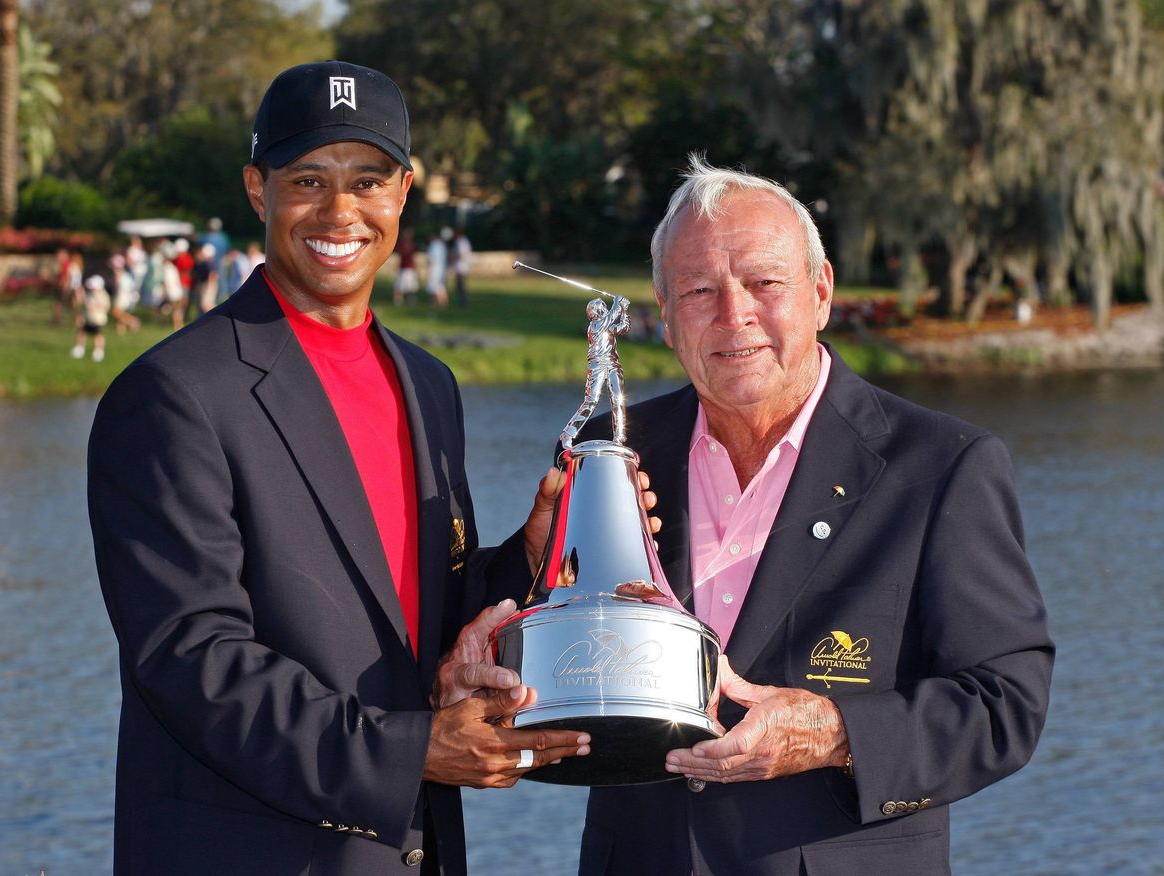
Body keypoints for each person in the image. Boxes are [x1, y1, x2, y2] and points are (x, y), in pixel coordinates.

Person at [87, 61, 588, 876]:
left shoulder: (429, 382)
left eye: (368, 180)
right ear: (258, 188)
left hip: (410, 853)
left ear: (404, 192)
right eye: (308, 179)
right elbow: (191, 658)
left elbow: (419, 625)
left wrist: (534, 555)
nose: (340, 211)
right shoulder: (172, 395)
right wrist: (412, 751)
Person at [570, 155, 1054, 875]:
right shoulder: (609, 452)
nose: (734, 314)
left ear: (820, 292)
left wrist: (836, 732)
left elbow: (1004, 702)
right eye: (699, 290)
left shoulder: (943, 465)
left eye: (765, 283)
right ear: (665, 318)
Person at [560, 294, 631, 449]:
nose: (605, 309)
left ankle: (619, 437)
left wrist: (624, 310)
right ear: (597, 311)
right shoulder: (596, 325)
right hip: (597, 366)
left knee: (618, 399)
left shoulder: (607, 326)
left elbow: (623, 328)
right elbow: (612, 317)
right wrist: (618, 302)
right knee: (591, 401)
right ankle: (568, 433)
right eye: (603, 307)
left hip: (613, 364)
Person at [71, 274, 110, 362]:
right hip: (88, 319)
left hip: (98, 320)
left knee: (98, 335)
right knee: (82, 333)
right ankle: (79, 348)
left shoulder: (103, 295)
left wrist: (95, 306)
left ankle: (98, 351)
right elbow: (83, 302)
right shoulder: (89, 294)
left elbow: (106, 306)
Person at [392, 226, 419, 305]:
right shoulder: (403, 244)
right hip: (403, 267)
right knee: (399, 286)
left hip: (410, 268)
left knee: (411, 287)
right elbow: (400, 255)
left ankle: (411, 301)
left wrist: (415, 267)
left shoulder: (411, 244)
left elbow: (414, 257)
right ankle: (398, 301)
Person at [425, 229, 449, 307]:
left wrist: (428, 269)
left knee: (435, 287)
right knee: (441, 287)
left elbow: (431, 259)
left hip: (435, 270)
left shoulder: (433, 245)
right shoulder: (442, 245)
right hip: (442, 269)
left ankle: (436, 303)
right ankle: (443, 304)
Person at [451, 228, 472, 306]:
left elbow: (461, 255)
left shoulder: (461, 242)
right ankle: (463, 301)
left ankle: (464, 302)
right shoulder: (463, 241)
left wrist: (452, 257)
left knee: (461, 286)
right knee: (460, 286)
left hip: (461, 267)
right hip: (462, 267)